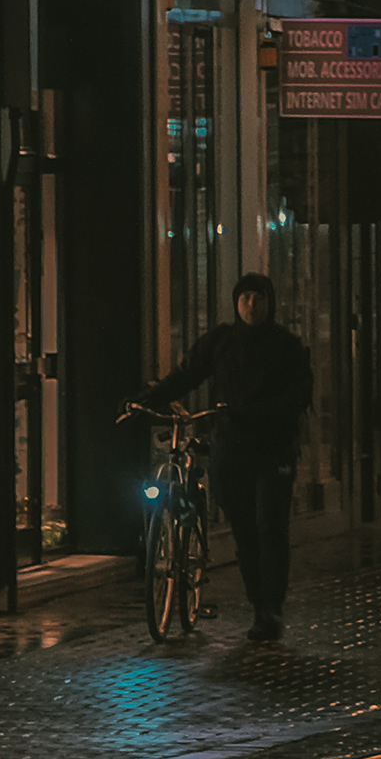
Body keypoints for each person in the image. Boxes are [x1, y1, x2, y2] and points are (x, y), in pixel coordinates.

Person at [138, 272, 314, 642]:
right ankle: (259, 603)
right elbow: (188, 374)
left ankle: (271, 608)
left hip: (273, 450)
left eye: (259, 298)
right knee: (245, 530)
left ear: (270, 303)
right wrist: (147, 399)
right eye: (245, 298)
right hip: (232, 451)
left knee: (270, 527)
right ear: (235, 303)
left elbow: (299, 394)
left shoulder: (285, 346)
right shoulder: (221, 341)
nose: (252, 305)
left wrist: (258, 412)